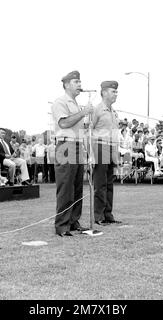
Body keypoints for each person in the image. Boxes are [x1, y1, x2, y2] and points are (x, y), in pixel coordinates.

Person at [51, 70, 93, 236]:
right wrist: (83, 113)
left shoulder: (75, 104)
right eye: (76, 82)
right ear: (67, 84)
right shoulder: (60, 102)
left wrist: (86, 123)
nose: (80, 85)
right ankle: (62, 225)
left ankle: (73, 222)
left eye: (80, 82)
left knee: (76, 187)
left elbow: (77, 126)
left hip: (77, 145)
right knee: (66, 187)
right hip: (65, 146)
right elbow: (64, 123)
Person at [92, 80, 122, 225]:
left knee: (109, 184)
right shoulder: (96, 110)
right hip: (99, 147)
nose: (116, 94)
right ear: (104, 92)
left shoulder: (114, 113)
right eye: (113, 91)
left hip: (111, 148)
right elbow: (88, 131)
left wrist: (116, 154)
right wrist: (90, 155)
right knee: (100, 184)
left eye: (116, 91)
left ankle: (108, 214)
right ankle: (98, 216)